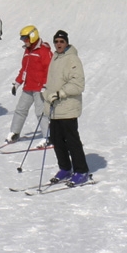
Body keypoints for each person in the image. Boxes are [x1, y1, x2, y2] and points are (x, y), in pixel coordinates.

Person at [43, 29, 90, 186]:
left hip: (68, 108)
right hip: (55, 108)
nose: (58, 44)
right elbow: (52, 81)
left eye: (61, 41)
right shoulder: (55, 58)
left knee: (72, 141)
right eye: (56, 41)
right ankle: (65, 168)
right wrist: (47, 95)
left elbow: (78, 84)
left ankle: (81, 170)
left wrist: (60, 93)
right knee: (57, 140)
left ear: (67, 42)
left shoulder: (72, 59)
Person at [4, 25, 52, 146]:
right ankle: (14, 133)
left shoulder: (44, 51)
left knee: (41, 112)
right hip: (28, 86)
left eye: (25, 38)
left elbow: (50, 69)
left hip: (40, 88)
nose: (24, 41)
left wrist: (46, 85)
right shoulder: (27, 51)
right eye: (22, 39)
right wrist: (17, 83)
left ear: (32, 36)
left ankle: (49, 136)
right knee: (20, 109)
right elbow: (24, 69)